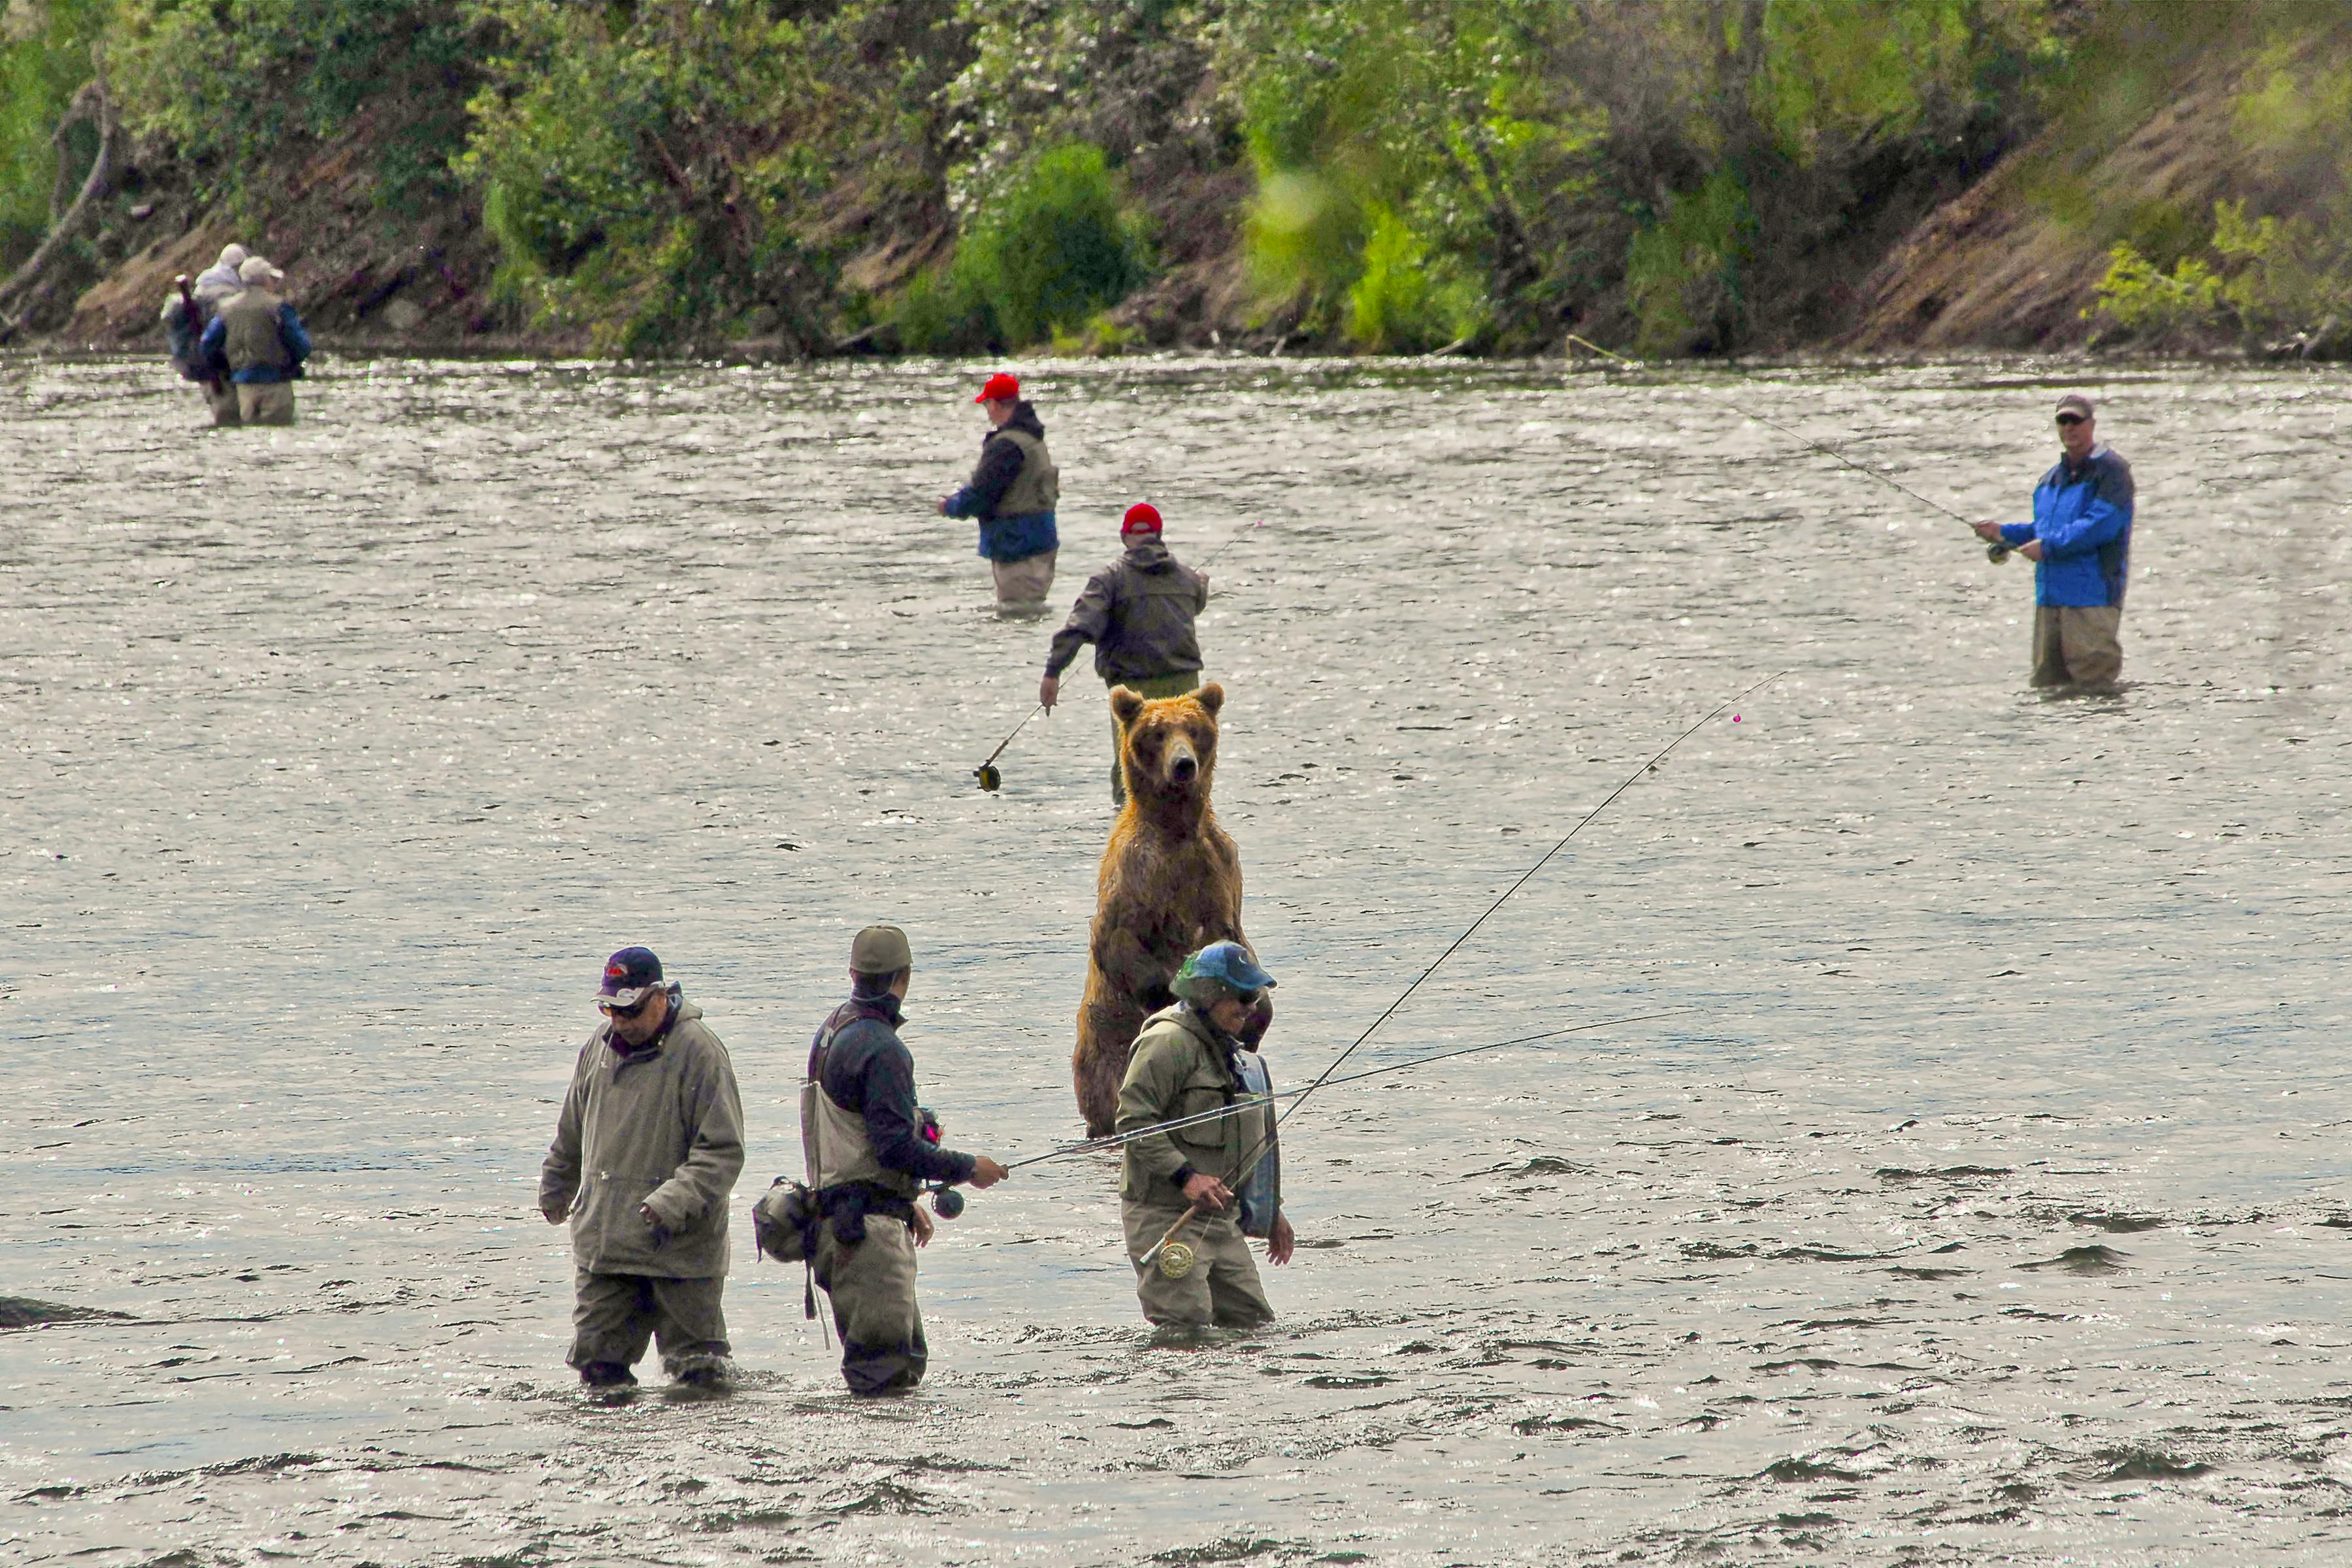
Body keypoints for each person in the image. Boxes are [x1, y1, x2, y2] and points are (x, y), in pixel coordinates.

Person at [803, 924, 1009, 1394]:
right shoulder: (882, 1047)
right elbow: (896, 1147)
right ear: (904, 978)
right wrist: (968, 1167)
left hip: (839, 1221)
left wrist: (901, 1199)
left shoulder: (833, 1029)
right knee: (886, 1373)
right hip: (867, 1239)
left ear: (853, 974)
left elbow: (849, 1144)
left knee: (891, 1368)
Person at [539, 947, 745, 1390]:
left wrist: (673, 1201)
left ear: (659, 996)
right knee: (599, 1376)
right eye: (610, 1009)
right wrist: (557, 1184)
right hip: (607, 1247)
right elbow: (572, 1129)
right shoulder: (596, 1048)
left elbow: (723, 1152)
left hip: (682, 1254)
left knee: (699, 1379)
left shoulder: (701, 1053)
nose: (620, 1021)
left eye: (630, 1010)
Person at [1114, 940, 1295, 1331]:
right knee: (1186, 1327)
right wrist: (1186, 1177)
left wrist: (1270, 1212)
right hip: (1164, 1216)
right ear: (1210, 996)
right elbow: (1132, 1121)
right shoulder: (1165, 1043)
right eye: (1245, 997)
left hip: (1220, 1219)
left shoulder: (1236, 1054)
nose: (1252, 1008)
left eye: (1257, 996)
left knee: (1253, 1326)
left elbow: (1250, 1138)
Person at [1041, 501, 1211, 804]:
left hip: (1134, 696)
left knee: (1133, 773)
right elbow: (1193, 605)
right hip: (1184, 686)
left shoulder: (1109, 580)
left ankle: (1130, 841)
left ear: (1124, 536)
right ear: (1159, 534)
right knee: (1185, 768)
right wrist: (1202, 587)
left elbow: (1079, 627)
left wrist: (1053, 673)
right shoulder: (1188, 578)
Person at [1973, 393, 2135, 691]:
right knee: (2048, 691)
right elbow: (2045, 530)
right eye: (2063, 421)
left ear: (2092, 424)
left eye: (2076, 420)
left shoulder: (2112, 472)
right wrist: (2004, 534)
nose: (2069, 428)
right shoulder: (2050, 480)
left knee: (2094, 690)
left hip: (2092, 598)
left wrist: (2047, 548)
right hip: (2050, 601)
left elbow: (2099, 525)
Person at [938, 371, 1059, 614]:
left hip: (1018, 549)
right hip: (1039, 545)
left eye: (986, 404)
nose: (987, 410)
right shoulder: (1032, 437)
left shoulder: (1007, 445)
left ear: (993, 404)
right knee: (1030, 615)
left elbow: (982, 495)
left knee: (1017, 618)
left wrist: (950, 506)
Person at [199, 255, 312, 427]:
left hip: (244, 387)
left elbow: (207, 345)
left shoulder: (226, 309)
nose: (274, 283)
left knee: (250, 434)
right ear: (265, 280)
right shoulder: (278, 307)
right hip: (276, 384)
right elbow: (302, 346)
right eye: (272, 279)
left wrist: (225, 367)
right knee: (279, 436)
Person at [172, 242, 250, 427]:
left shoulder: (201, 288)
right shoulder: (230, 294)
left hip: (206, 372)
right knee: (233, 422)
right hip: (226, 370)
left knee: (223, 420)